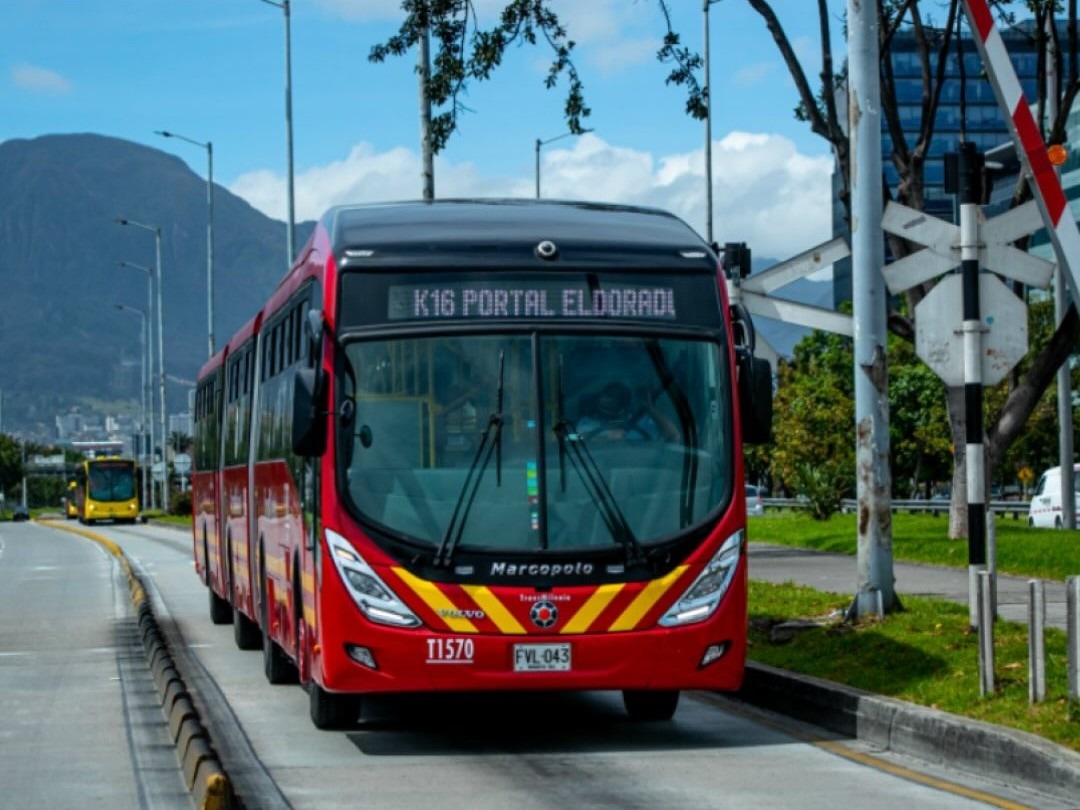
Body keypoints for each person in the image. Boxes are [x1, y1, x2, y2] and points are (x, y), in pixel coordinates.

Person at [575, 381, 677, 442]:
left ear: (625, 408)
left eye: (611, 407)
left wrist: (650, 408)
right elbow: (573, 437)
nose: (604, 412)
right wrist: (605, 437)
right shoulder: (587, 422)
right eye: (602, 407)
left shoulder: (643, 422)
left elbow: (673, 436)